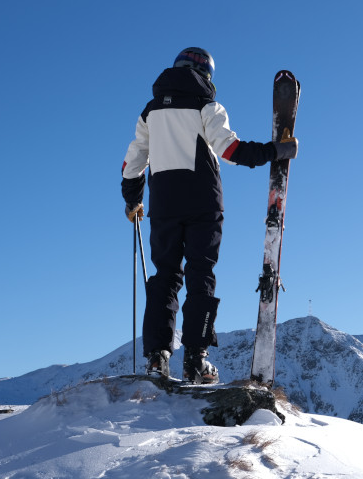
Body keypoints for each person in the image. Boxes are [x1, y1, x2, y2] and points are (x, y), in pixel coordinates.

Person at [121, 47, 298, 383]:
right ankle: (195, 361)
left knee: (165, 277)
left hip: (164, 204)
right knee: (200, 274)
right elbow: (231, 151)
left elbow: (132, 164)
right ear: (206, 74)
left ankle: (157, 358)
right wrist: (278, 150)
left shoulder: (150, 112)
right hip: (203, 202)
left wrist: (133, 201)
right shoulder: (207, 106)